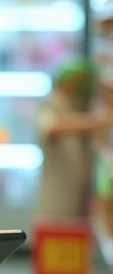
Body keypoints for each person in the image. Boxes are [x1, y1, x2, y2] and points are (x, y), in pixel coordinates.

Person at [35, 60, 109, 221]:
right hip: (56, 208)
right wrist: (97, 121)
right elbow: (52, 128)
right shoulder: (51, 105)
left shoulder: (76, 107)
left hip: (76, 205)